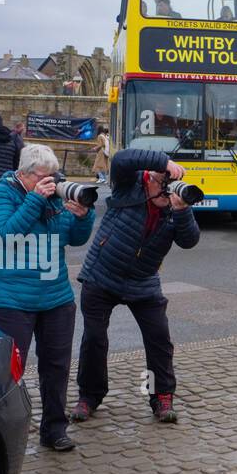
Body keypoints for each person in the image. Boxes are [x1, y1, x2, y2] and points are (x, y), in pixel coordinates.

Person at [71, 148, 199, 425]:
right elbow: (120, 159)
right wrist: (163, 161)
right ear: (151, 173)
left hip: (143, 280)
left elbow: (189, 241)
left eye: (165, 178)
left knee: (159, 340)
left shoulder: (175, 202)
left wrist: (181, 210)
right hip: (102, 274)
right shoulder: (129, 182)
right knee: (94, 338)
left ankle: (162, 397)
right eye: (158, 176)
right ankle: (89, 397)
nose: (160, 182)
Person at [0, 144, 95, 451]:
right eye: (45, 177)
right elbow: (5, 235)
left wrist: (83, 216)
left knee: (57, 366)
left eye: (54, 177)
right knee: (10, 371)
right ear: (25, 174)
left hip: (55, 295)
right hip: (11, 298)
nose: (52, 183)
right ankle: (3, 435)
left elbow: (75, 238)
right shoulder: (1, 194)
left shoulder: (53, 196)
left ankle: (54, 430)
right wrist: (34, 200)